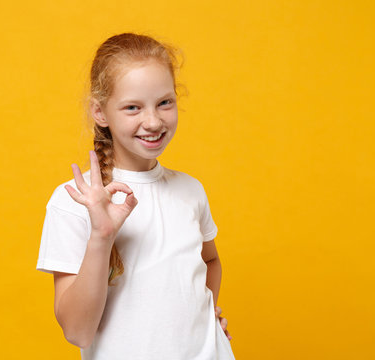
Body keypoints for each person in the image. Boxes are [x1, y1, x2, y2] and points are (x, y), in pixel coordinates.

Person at [37, 32, 236, 359]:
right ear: (100, 113)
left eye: (165, 102)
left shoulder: (191, 190)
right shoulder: (75, 200)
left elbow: (210, 260)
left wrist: (204, 319)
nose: (154, 121)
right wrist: (102, 237)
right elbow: (77, 331)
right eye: (132, 107)